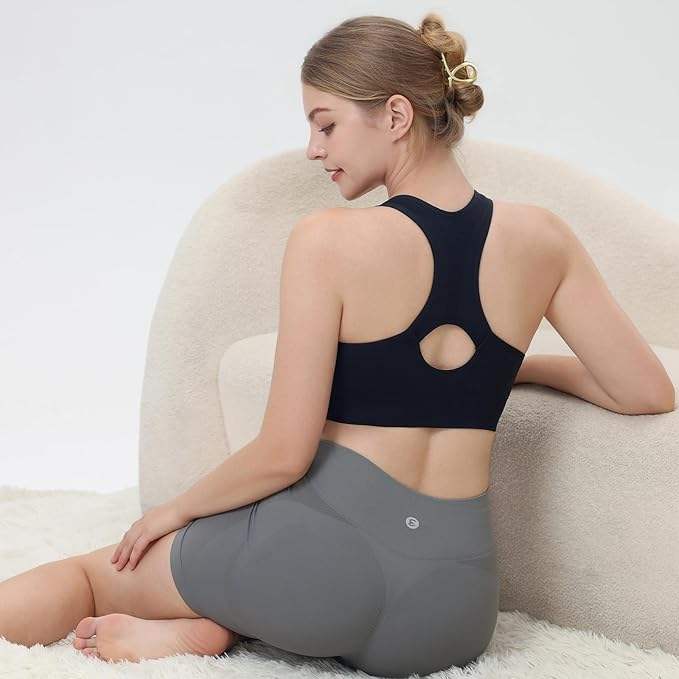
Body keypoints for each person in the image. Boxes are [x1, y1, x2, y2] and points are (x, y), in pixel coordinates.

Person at [1, 11, 674, 678]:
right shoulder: (543, 238)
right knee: (286, 581)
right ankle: (216, 624)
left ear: (395, 115)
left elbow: (281, 455)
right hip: (452, 610)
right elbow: (646, 391)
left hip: (321, 570)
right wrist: (510, 368)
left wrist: (171, 514)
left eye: (325, 124)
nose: (313, 149)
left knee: (90, 577)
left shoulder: (328, 239)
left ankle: (221, 616)